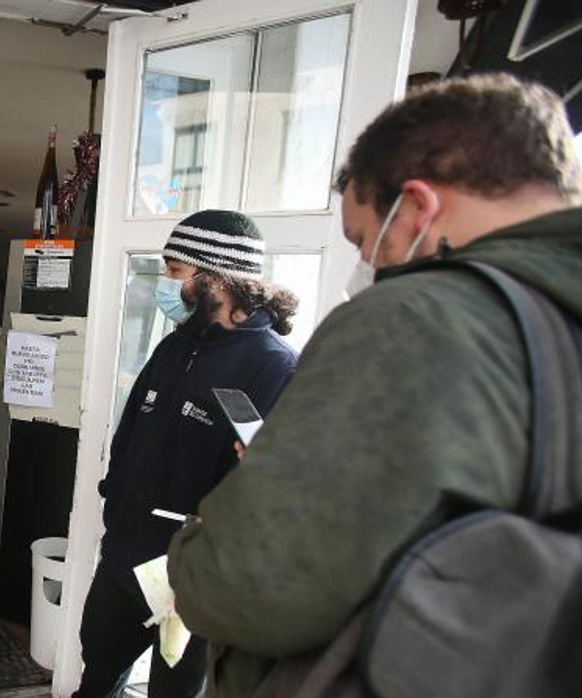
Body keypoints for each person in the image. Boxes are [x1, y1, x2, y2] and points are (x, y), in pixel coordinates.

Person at [168, 74, 582, 698]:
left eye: (365, 240)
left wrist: (193, 547)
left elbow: (249, 582)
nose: (367, 268)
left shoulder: (419, 316)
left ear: (417, 206)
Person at [73, 210, 300, 698]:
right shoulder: (173, 347)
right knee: (96, 678)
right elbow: (130, 430)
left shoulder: (275, 367)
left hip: (196, 580)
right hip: (123, 562)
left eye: (176, 273)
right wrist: (115, 500)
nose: (167, 286)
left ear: (216, 278)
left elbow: (268, 491)